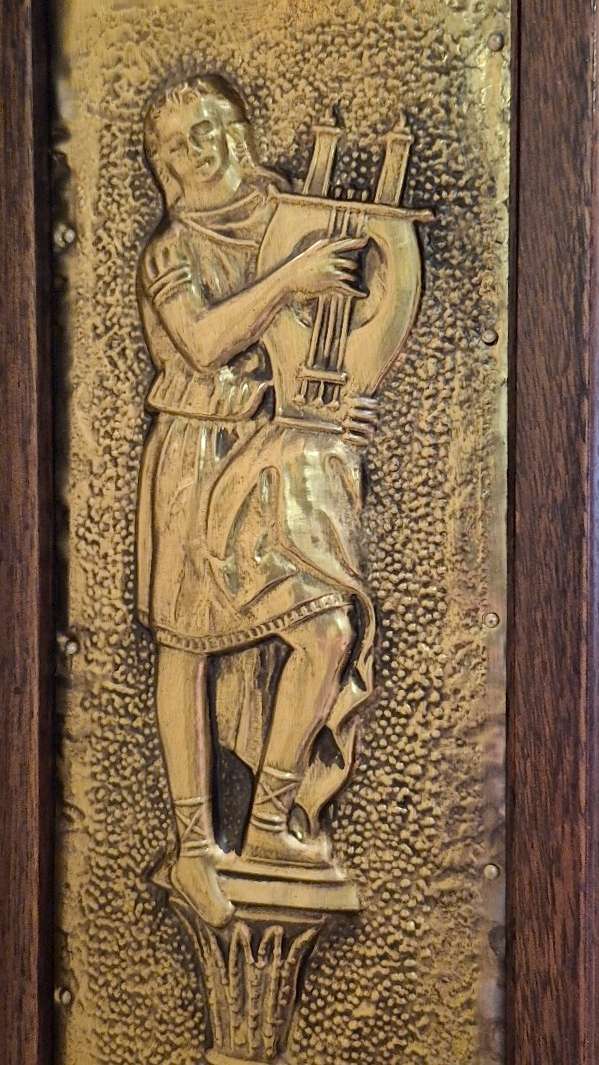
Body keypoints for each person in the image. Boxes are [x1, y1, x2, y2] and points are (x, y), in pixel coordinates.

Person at [137, 75, 374, 927]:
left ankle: (269, 822)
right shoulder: (170, 251)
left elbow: (328, 344)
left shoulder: (290, 217)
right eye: (180, 144)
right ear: (165, 167)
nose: (201, 151)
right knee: (185, 643)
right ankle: (193, 846)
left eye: (210, 129)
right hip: (197, 459)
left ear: (236, 130)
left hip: (281, 462)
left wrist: (343, 399)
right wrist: (287, 279)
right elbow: (203, 343)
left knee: (327, 631)